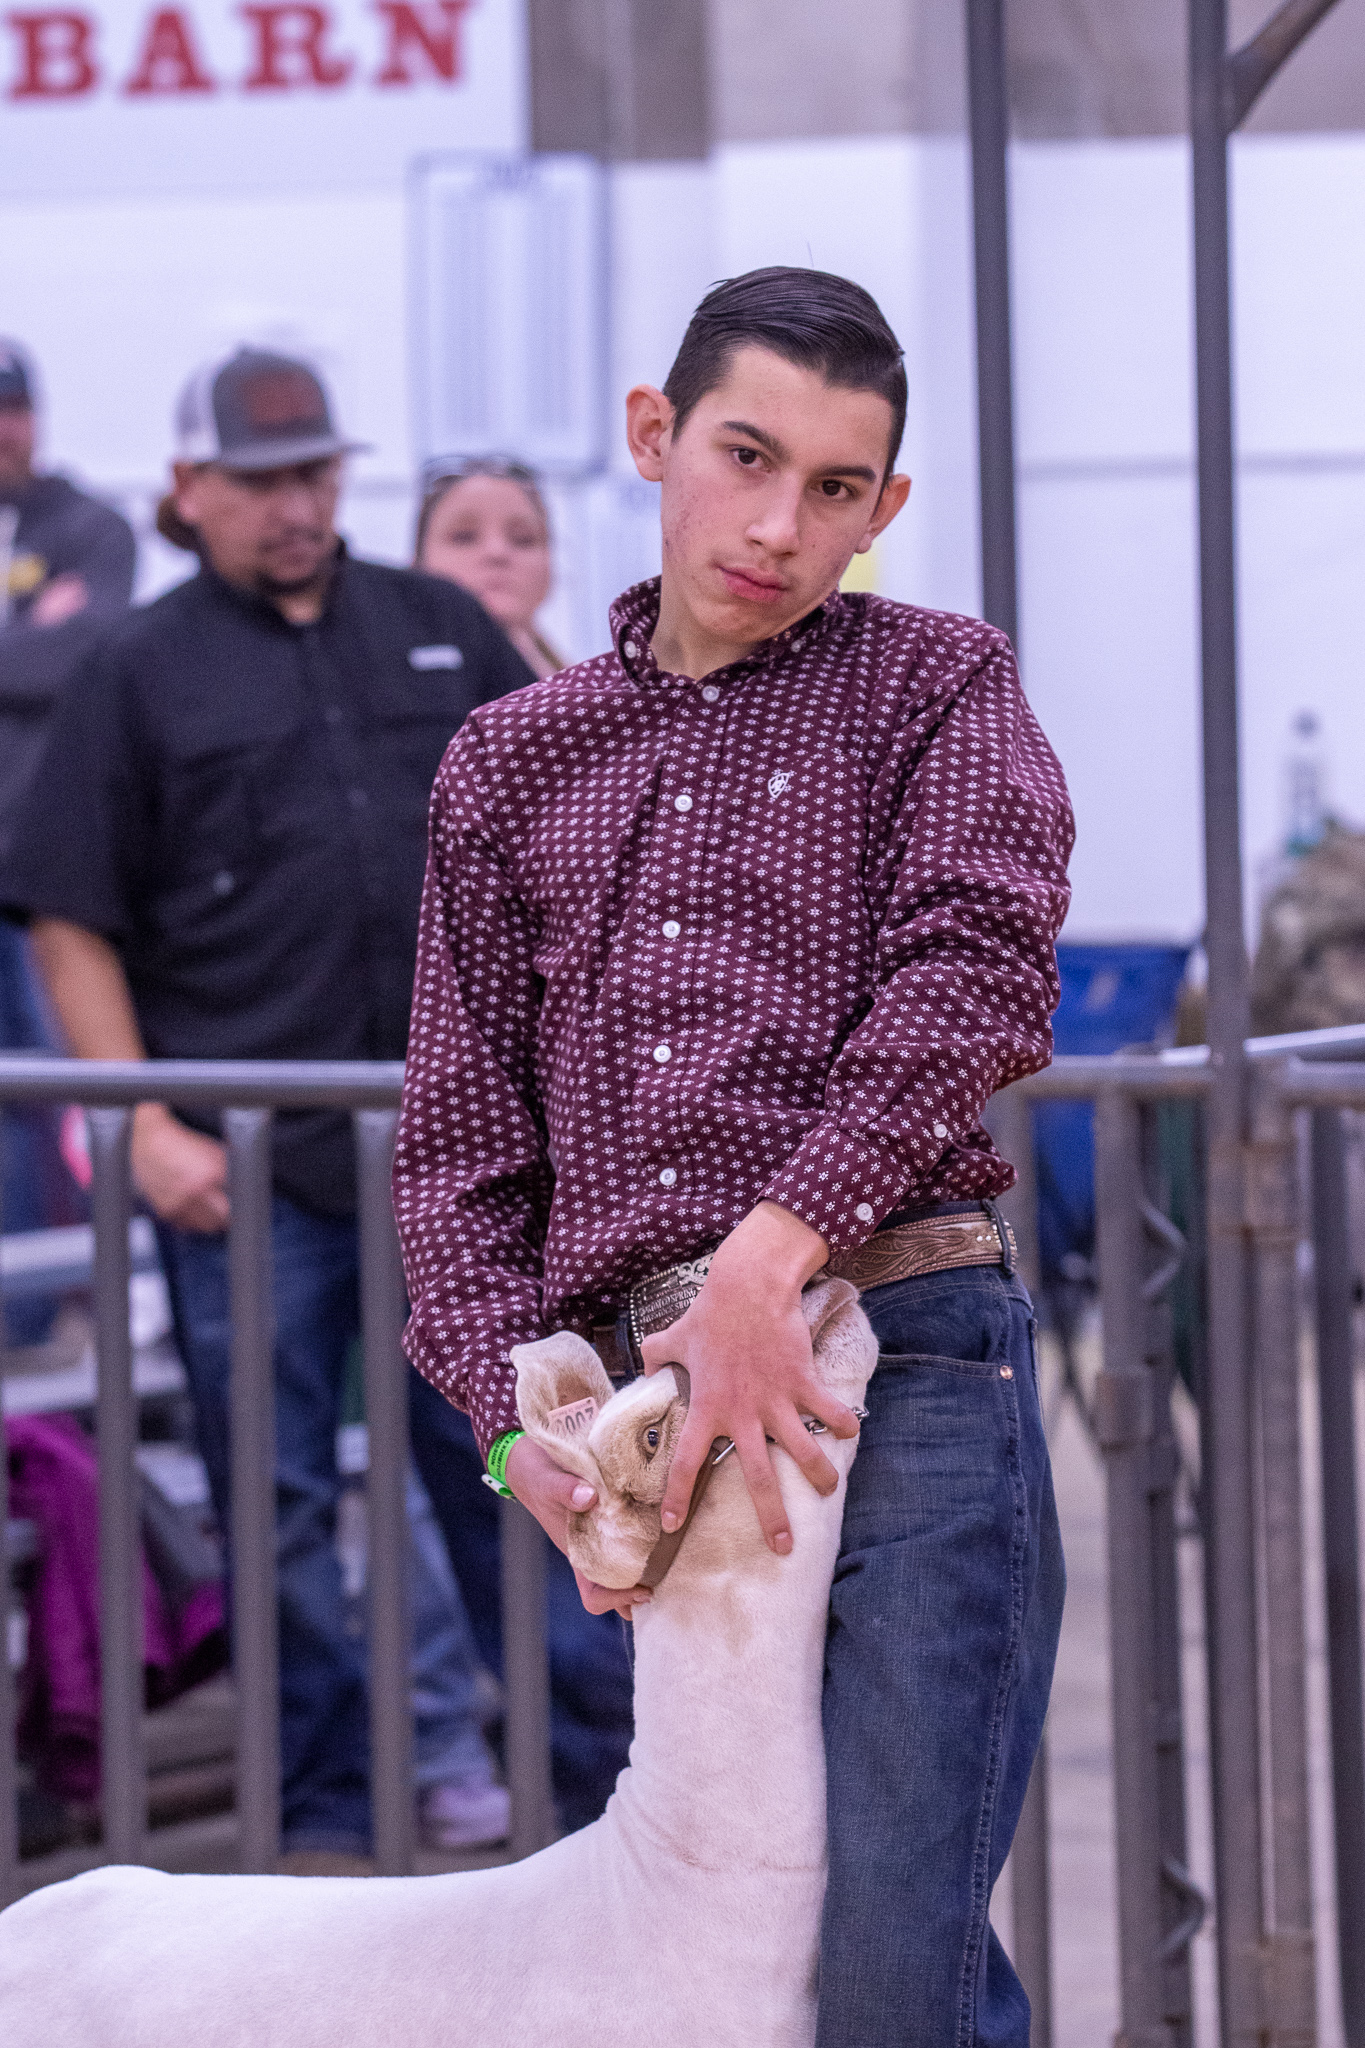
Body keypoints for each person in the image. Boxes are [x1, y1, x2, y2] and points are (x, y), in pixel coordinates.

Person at [393, 268, 1073, 2043]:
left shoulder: (936, 678)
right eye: (747, 457)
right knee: (723, 1971)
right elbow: (461, 1154)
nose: (782, 526)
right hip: (658, 1435)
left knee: (890, 1962)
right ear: (654, 435)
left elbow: (978, 968)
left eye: (838, 489)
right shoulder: (509, 758)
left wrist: (777, 1256)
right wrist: (505, 1443)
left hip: (908, 1366)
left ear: (887, 507)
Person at [0, 345, 534, 1857]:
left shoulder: (438, 628)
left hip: (458, 1164)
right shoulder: (133, 669)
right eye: (257, 481)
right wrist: (144, 1126)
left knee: (510, 1463)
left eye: (313, 475)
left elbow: (570, 828)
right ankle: (318, 1821)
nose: (295, 508)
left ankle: (584, 1789)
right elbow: (66, 917)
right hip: (243, 1181)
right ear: (187, 490)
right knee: (276, 1504)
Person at [1, 337, 137, 1339]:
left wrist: (35, 641)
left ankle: (79, 1307)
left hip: (43, 883)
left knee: (75, 1100)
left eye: (13, 406)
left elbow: (73, 654)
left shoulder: (88, 526)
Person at [414, 455, 563, 678]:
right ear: (417, 562)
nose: (497, 553)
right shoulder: (381, 682)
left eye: (523, 539)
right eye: (464, 537)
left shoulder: (601, 693)